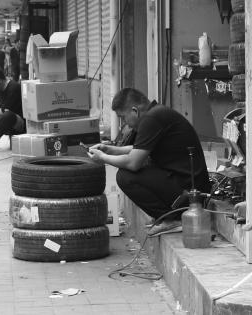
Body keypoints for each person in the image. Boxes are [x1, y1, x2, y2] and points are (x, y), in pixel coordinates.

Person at [88, 87, 210, 236]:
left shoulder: (152, 119)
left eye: (123, 117)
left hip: (191, 193)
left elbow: (133, 162)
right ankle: (171, 216)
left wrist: (102, 158)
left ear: (135, 110)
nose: (124, 123)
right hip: (189, 187)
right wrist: (110, 149)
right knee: (134, 171)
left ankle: (172, 218)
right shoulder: (156, 114)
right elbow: (140, 148)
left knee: (126, 177)